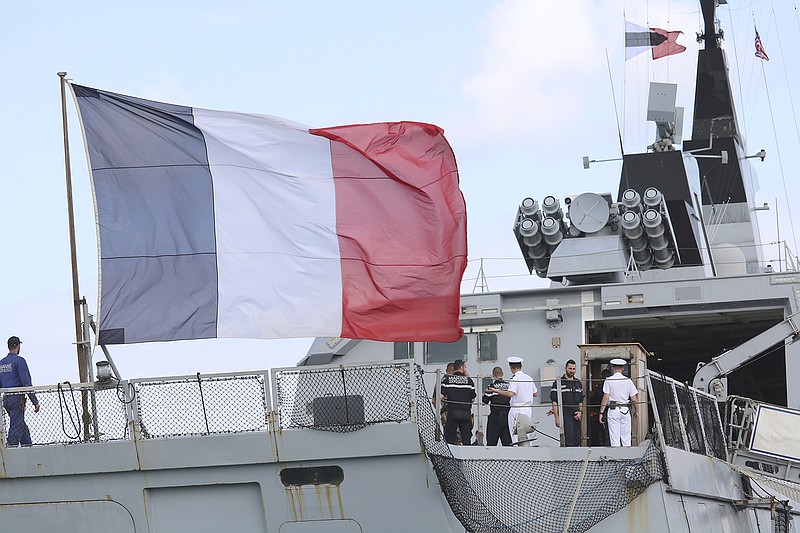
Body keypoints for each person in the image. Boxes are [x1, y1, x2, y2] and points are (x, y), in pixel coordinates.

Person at [0, 336, 41, 446]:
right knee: (16, 424)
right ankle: (11, 447)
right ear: (18, 346)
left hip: (6, 398)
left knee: (19, 423)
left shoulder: (2, 363)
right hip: (17, 398)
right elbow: (26, 382)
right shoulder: (19, 361)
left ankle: (27, 445)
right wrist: (35, 401)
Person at [489, 356, 538, 444]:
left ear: (510, 367)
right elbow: (535, 393)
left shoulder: (514, 379)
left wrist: (495, 390)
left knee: (515, 434)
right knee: (527, 433)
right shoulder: (529, 378)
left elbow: (510, 393)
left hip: (516, 409)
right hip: (527, 409)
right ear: (521, 366)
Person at [599, 358, 638, 447]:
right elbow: (634, 399)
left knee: (614, 437)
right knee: (626, 437)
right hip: (625, 410)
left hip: (613, 410)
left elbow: (606, 397)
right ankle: (627, 458)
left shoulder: (608, 380)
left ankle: (617, 459)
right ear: (623, 368)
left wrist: (601, 412)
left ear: (612, 368)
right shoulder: (628, 381)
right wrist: (636, 410)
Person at [549, 359, 584, 447]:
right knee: (569, 437)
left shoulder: (578, 383)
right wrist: (557, 418)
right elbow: (554, 402)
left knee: (577, 438)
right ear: (565, 368)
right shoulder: (558, 382)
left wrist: (580, 412)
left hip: (576, 413)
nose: (572, 371)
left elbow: (580, 400)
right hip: (565, 413)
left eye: (574, 369)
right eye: (570, 368)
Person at [440, 359, 476, 445]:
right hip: (466, 413)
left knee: (449, 439)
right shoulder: (469, 381)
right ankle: (468, 457)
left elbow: (441, 395)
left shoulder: (447, 380)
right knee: (466, 439)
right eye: (465, 367)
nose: (466, 369)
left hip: (453, 412)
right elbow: (473, 399)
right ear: (460, 367)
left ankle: (451, 456)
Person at [482, 366, 512, 446]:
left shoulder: (492, 387)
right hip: (507, 418)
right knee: (508, 444)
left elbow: (485, 401)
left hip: (495, 418)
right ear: (502, 374)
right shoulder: (509, 386)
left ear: (493, 375)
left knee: (491, 443)